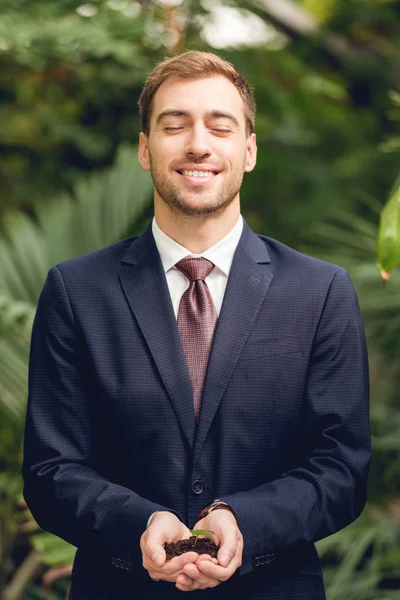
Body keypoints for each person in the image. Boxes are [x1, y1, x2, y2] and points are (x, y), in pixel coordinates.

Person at [22, 51, 371, 600]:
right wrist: (138, 522)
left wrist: (245, 521)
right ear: (144, 148)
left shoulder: (321, 292)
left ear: (249, 150)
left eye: (220, 126)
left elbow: (341, 469)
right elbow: (51, 470)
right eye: (174, 124)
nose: (198, 144)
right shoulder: (76, 291)